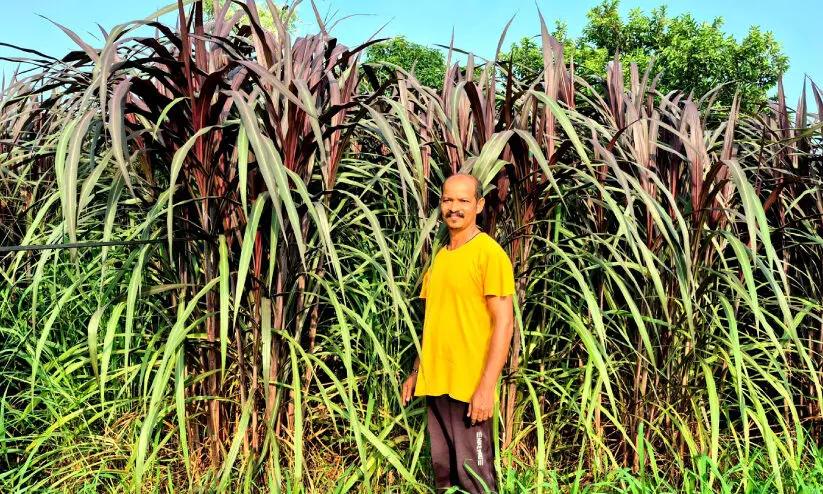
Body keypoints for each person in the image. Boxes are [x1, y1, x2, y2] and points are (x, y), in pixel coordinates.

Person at [401, 173, 515, 493]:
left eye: (463, 200)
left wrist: (486, 388)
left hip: (469, 390)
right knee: (444, 478)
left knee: (476, 481)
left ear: (478, 205)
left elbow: (504, 323)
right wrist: (416, 371)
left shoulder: (488, 255)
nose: (454, 207)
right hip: (437, 384)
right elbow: (433, 322)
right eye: (448, 200)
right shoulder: (440, 257)